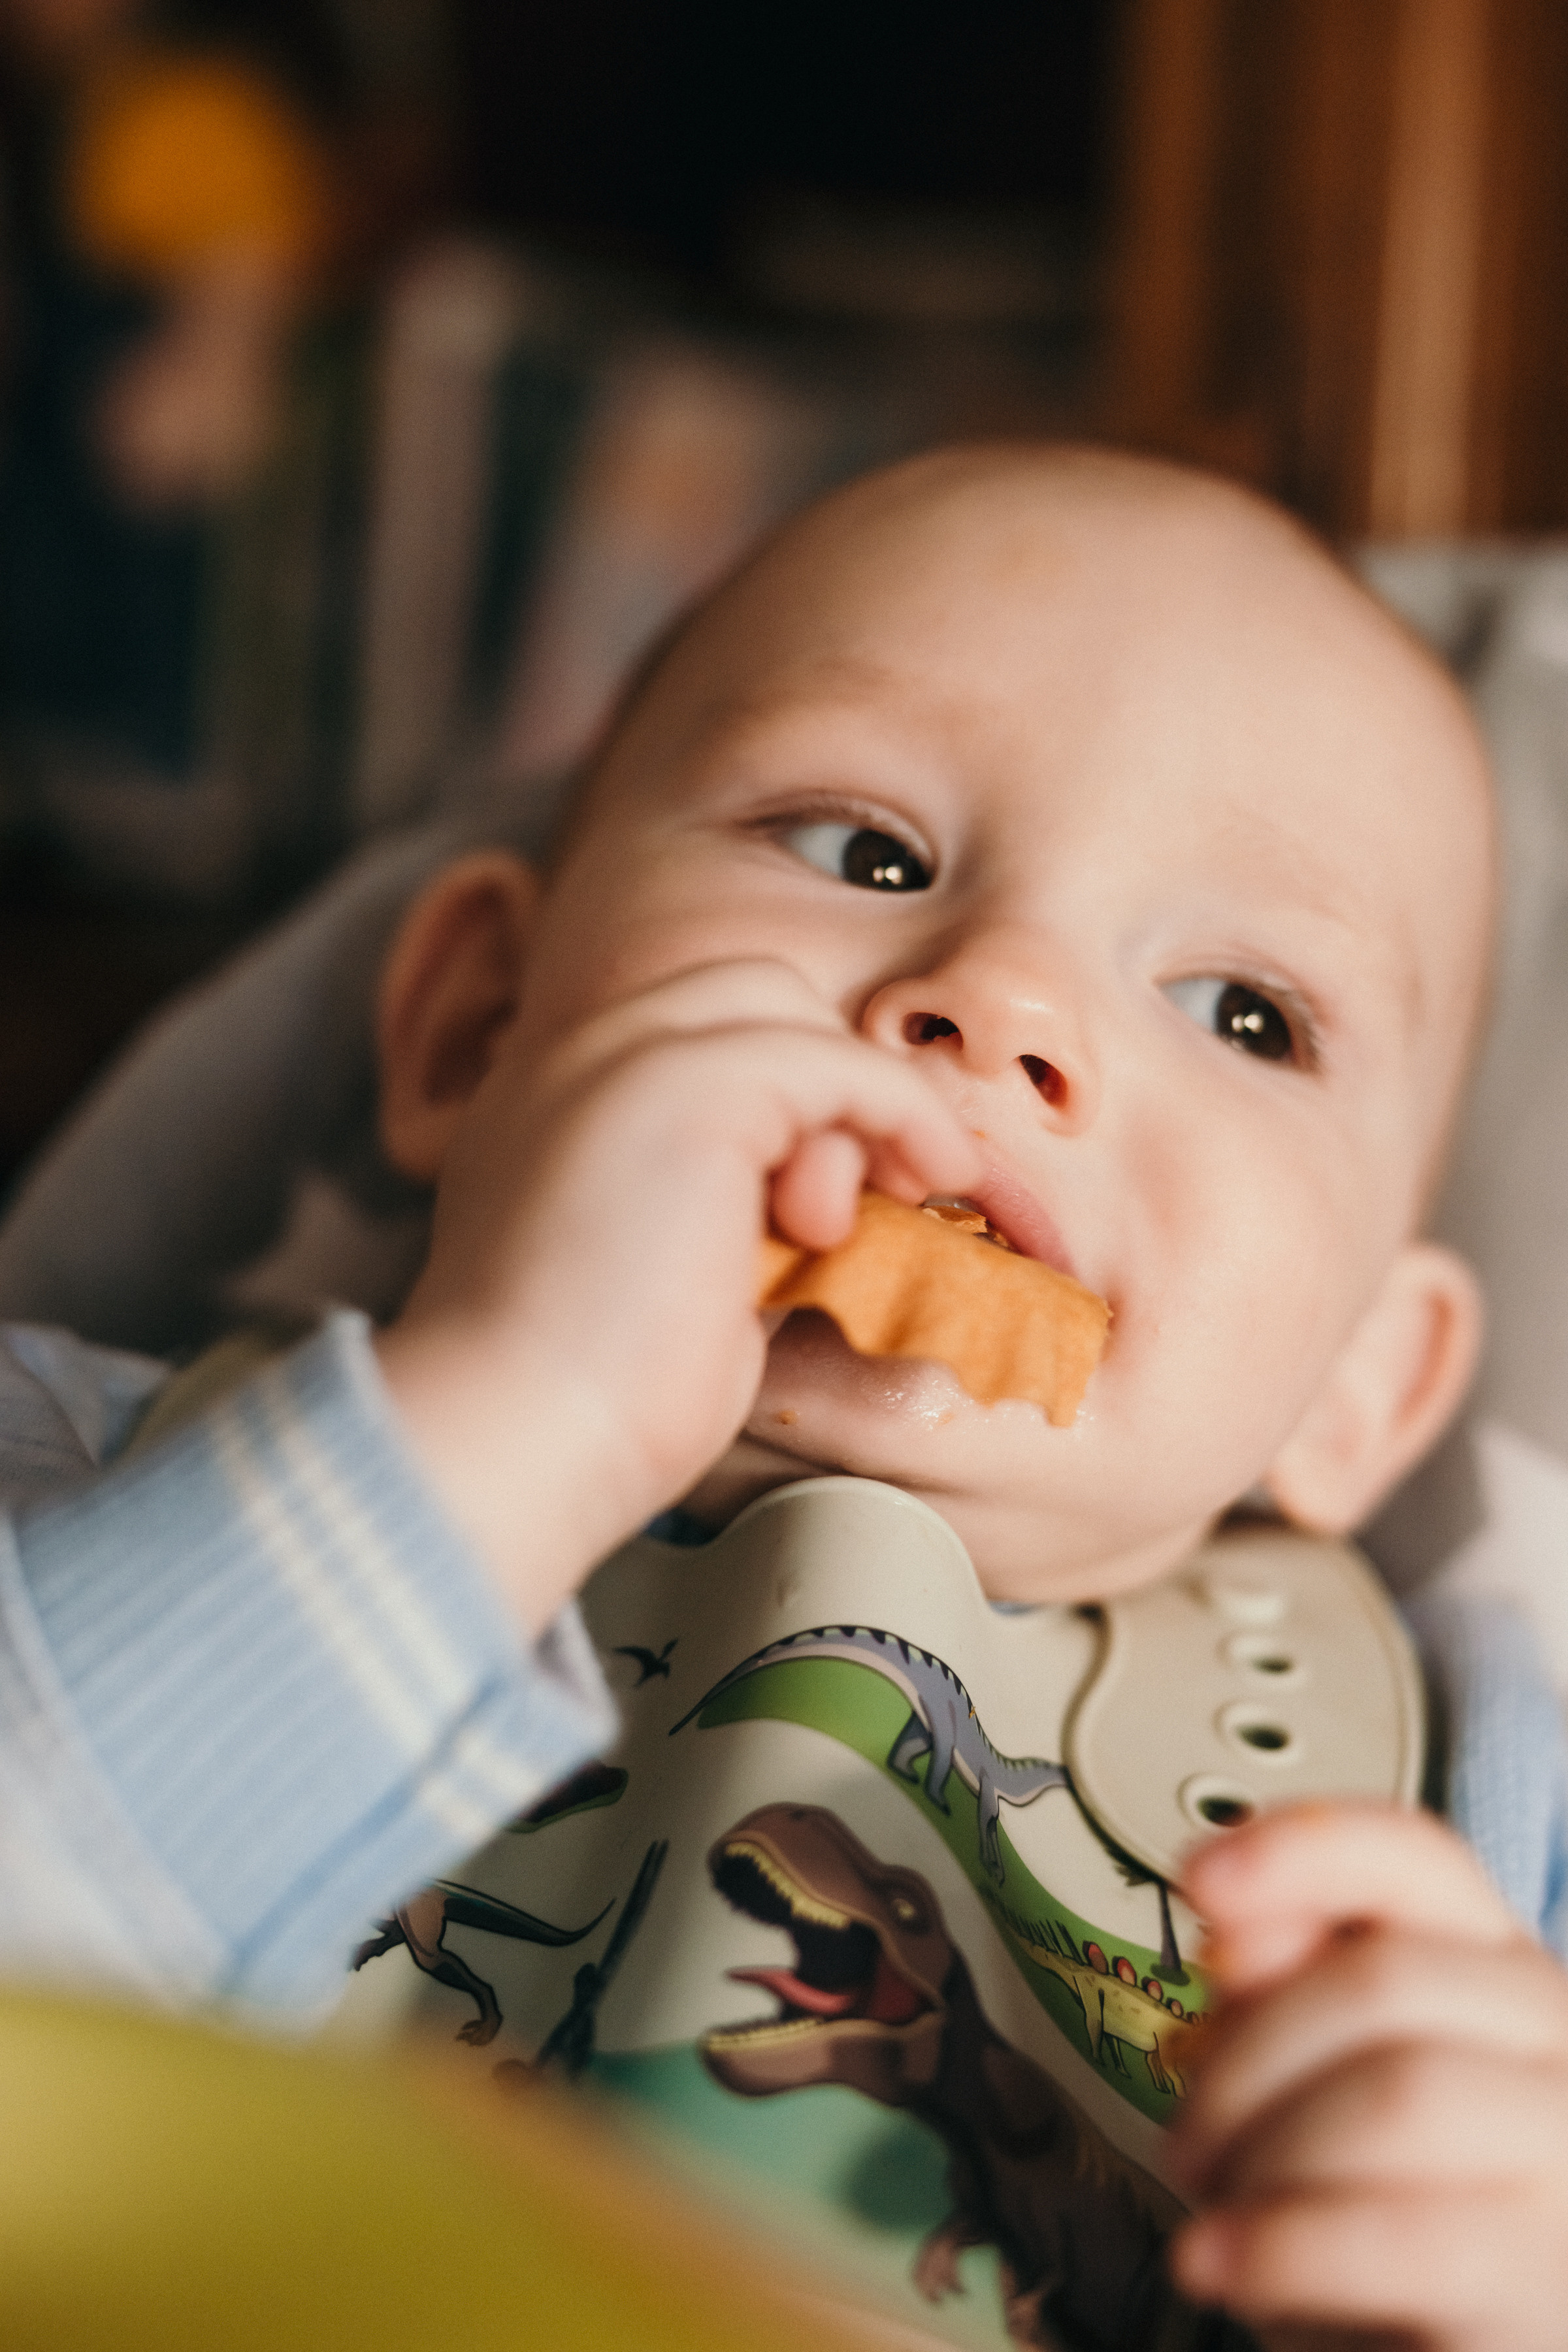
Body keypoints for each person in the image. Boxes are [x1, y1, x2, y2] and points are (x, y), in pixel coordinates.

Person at [5, 444, 1567, 2345]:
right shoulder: (80, 1466)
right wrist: (507, 1416)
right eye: (863, 853)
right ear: (479, 1034)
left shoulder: (1480, 1797)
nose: (999, 1003)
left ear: (1364, 1386)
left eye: (1249, 1012)